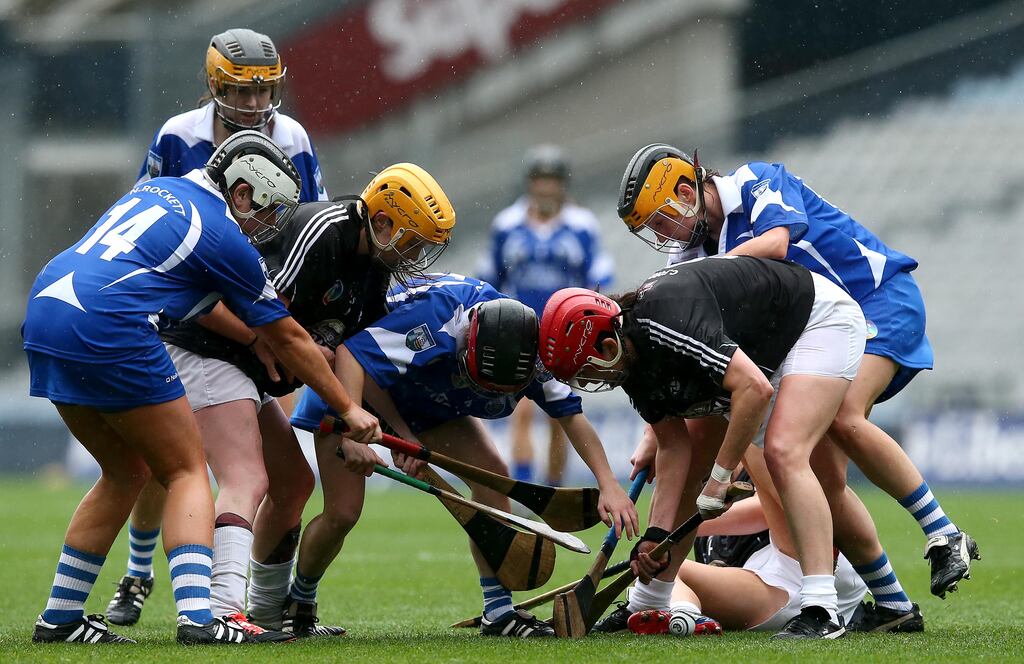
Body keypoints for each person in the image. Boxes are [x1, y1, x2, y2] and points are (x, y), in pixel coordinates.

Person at [23, 130, 380, 645]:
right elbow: (291, 337)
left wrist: (251, 339)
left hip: (48, 306)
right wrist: (349, 407)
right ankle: (201, 618)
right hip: (110, 321)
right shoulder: (222, 232)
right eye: (269, 207)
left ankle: (60, 618)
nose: (270, 223)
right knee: (185, 469)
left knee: (126, 472)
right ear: (240, 193)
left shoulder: (157, 189)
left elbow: (182, 294)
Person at [617, 144, 978, 599]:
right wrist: (656, 434)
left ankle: (943, 532)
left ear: (687, 191)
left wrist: (700, 275)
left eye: (662, 219)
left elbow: (776, 243)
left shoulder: (754, 181)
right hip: (818, 339)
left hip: (878, 300)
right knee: (820, 478)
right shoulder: (691, 254)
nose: (663, 235)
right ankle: (892, 602)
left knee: (846, 416)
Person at [105, 27, 330, 628]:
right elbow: (146, 212)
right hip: (184, 309)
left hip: (253, 301)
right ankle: (140, 573)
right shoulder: (178, 135)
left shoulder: (294, 136)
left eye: (264, 92)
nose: (256, 106)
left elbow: (307, 221)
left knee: (248, 471)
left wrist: (278, 317)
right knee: (166, 459)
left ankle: (251, 605)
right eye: (241, 93)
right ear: (212, 85)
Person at [275, 273, 639, 638]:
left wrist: (609, 485)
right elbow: (353, 355)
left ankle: (498, 613)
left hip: (424, 402)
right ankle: (299, 604)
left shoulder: (537, 356)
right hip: (349, 391)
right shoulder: (437, 322)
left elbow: (572, 418)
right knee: (343, 512)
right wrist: (370, 432)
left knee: (491, 476)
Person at [539, 256, 872, 638]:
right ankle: (649, 600)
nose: (587, 381)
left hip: (816, 321)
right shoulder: (634, 361)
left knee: (783, 451)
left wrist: (720, 475)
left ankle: (822, 608)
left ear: (609, 344)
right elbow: (675, 449)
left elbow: (754, 389)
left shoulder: (665, 324)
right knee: (700, 446)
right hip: (764, 351)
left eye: (586, 370)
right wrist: (657, 534)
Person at [627, 446, 922, 637]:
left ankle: (674, 608)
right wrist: (667, 544)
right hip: (773, 591)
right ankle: (684, 615)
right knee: (666, 574)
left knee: (761, 444)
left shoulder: (760, 461)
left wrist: (678, 532)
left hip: (812, 567)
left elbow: (763, 512)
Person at [478, 145, 613, 486]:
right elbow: (488, 278)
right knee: (519, 409)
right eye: (540, 180)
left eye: (552, 180)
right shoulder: (507, 224)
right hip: (517, 329)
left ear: (562, 184)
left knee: (559, 414)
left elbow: (598, 280)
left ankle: (552, 487)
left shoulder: (582, 225)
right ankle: (524, 484)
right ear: (530, 184)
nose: (546, 188)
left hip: (564, 333)